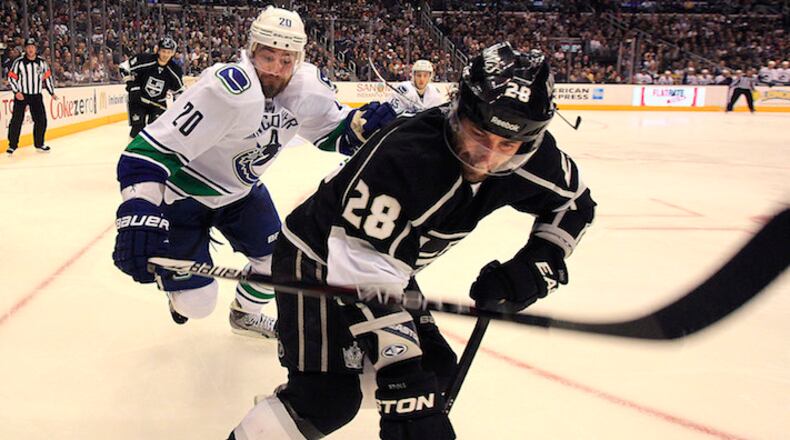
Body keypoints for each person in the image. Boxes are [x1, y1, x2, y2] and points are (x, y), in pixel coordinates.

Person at [229, 42, 596, 439]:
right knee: (325, 400)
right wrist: (400, 376)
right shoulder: (404, 157)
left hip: (387, 262)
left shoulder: (534, 156)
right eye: (478, 135)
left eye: (507, 146)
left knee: (436, 375)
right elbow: (361, 269)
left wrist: (537, 262)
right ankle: (289, 412)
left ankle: (281, 421)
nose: (486, 157)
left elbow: (574, 204)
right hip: (315, 257)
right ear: (461, 111)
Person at [111, 6, 395, 338]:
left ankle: (245, 315)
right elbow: (143, 156)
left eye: (286, 60)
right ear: (251, 50)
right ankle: (180, 295)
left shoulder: (305, 88)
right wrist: (138, 213)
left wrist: (362, 126)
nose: (276, 70)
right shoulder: (225, 91)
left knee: (277, 264)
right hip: (184, 198)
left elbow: (333, 133)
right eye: (267, 57)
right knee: (198, 305)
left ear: (298, 60)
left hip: (241, 194)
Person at [119, 37, 185, 139]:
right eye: (163, 51)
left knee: (156, 132)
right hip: (138, 100)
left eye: (169, 52)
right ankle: (131, 152)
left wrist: (177, 107)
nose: (165, 55)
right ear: (158, 50)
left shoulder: (175, 70)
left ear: (173, 53)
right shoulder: (144, 59)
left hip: (158, 103)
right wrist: (132, 86)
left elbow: (179, 91)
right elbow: (123, 67)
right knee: (137, 129)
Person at [5, 38, 57, 156]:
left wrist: (52, 92)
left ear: (36, 48)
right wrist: (16, 92)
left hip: (36, 96)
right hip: (22, 95)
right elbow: (12, 77)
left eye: (32, 47)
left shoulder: (42, 63)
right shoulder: (18, 62)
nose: (30, 49)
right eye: (28, 47)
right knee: (16, 121)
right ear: (25, 49)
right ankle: (12, 145)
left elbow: (47, 78)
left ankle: (39, 144)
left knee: (41, 120)